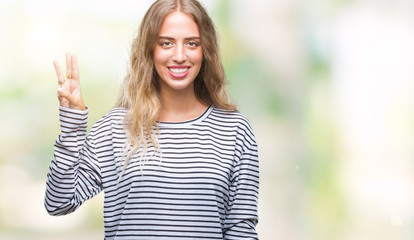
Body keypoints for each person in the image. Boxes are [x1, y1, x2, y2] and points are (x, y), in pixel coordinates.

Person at [44, 0, 259, 239]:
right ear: (150, 49)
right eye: (166, 43)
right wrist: (73, 123)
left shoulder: (235, 129)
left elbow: (241, 230)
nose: (179, 56)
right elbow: (58, 202)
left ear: (205, 50)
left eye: (192, 43)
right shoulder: (115, 128)